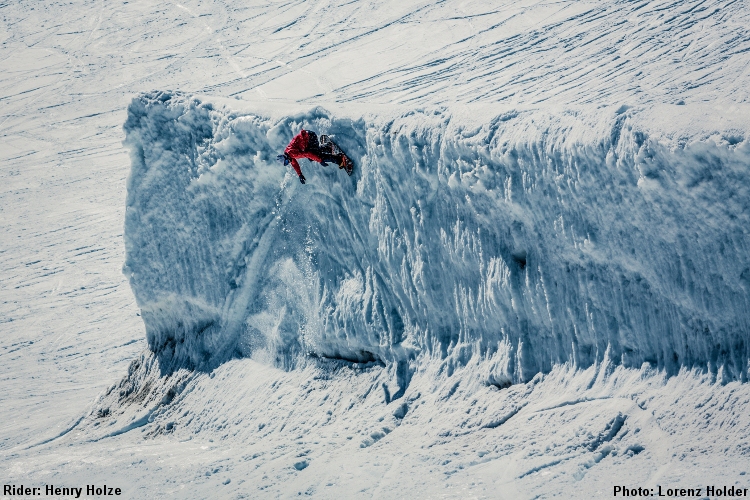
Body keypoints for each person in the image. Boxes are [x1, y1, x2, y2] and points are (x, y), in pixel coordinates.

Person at [276, 130, 348, 184]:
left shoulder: (292, 153)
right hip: (308, 138)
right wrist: (300, 175)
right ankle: (327, 147)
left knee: (318, 156)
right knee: (313, 156)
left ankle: (339, 159)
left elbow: (307, 154)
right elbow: (295, 164)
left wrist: (320, 161)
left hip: (310, 137)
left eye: (286, 161)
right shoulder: (289, 155)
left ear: (285, 157)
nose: (288, 162)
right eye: (286, 163)